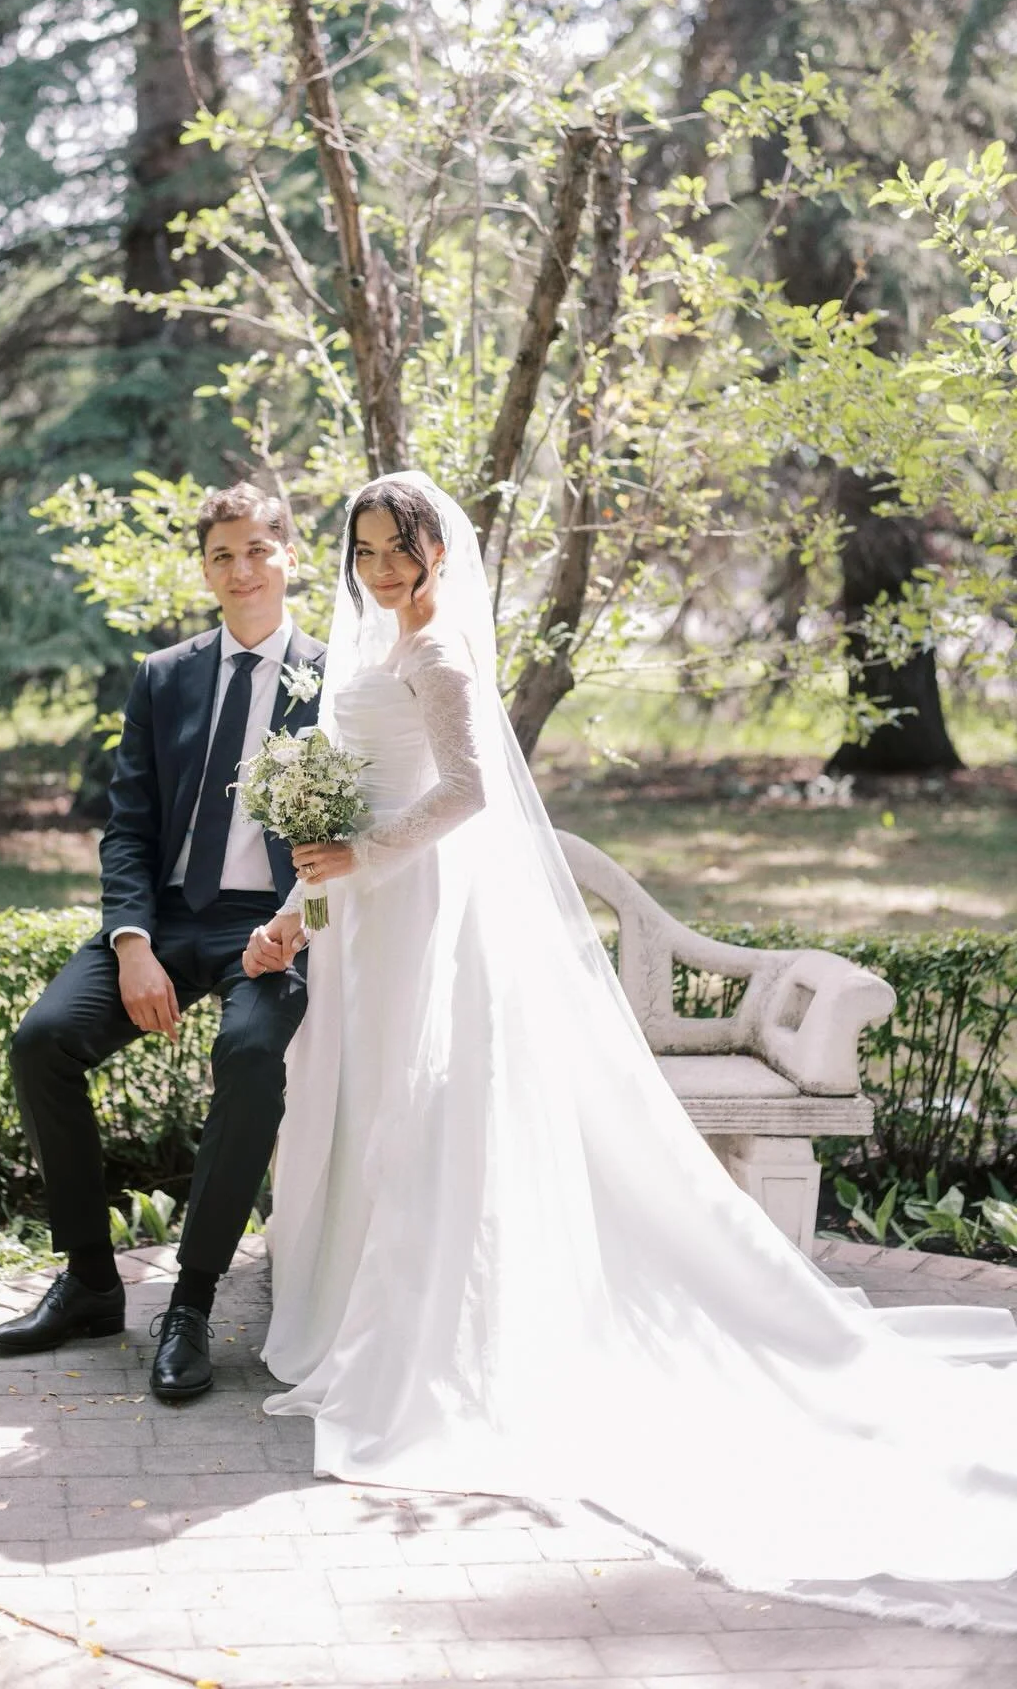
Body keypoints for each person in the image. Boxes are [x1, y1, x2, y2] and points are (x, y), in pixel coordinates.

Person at [242, 469, 1017, 1630]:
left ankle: (413, 1325)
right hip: (367, 913)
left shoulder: (440, 657)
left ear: (437, 555)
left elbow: (465, 796)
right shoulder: (366, 653)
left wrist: (365, 859)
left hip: (417, 904)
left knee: (416, 1106)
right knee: (357, 1098)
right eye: (363, 552)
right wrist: (303, 906)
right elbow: (342, 811)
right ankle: (350, 1291)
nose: (381, 570)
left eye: (397, 550)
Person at [0, 482, 325, 1402]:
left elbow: (349, 838)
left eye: (258, 549)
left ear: (288, 555)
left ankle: (191, 1302)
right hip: (168, 918)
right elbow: (127, 824)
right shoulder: (164, 675)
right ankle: (92, 1284)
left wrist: (295, 920)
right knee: (43, 1041)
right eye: (222, 555)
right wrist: (132, 943)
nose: (242, 569)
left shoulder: (337, 684)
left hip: (275, 924)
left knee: (251, 1054)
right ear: (205, 570)